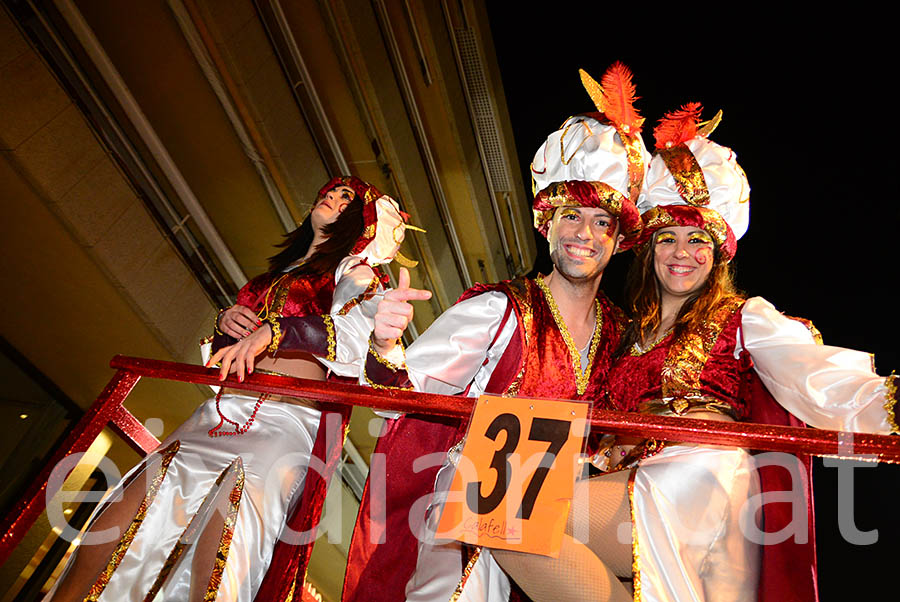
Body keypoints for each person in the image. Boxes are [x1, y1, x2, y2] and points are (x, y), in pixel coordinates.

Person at [491, 105, 899, 602]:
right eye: (667, 237)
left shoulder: (742, 315)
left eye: (697, 240)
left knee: (508, 521)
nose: (681, 252)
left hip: (699, 476)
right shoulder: (624, 334)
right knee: (525, 541)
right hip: (638, 480)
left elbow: (815, 378)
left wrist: (889, 401)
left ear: (718, 251)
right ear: (649, 248)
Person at [334, 63, 650, 602]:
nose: (584, 234)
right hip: (472, 521)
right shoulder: (500, 310)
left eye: (602, 222)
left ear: (618, 241)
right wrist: (384, 342)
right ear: (547, 222)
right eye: (572, 215)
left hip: (566, 533)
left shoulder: (624, 337)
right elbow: (403, 395)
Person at [45, 176, 411, 601]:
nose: (330, 195)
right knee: (118, 521)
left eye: (346, 196)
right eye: (327, 190)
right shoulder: (267, 280)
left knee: (224, 549)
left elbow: (352, 336)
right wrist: (225, 325)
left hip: (283, 423)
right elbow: (223, 355)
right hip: (219, 412)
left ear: (362, 221)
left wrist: (278, 331)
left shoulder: (357, 273)